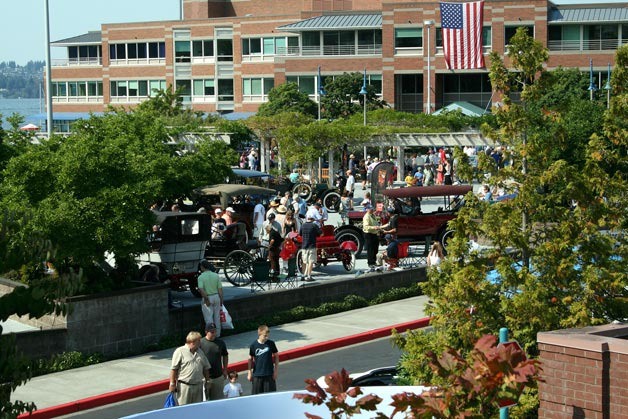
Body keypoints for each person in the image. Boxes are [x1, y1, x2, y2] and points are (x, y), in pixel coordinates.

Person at [169, 331, 211, 406]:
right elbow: (174, 369)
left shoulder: (200, 352)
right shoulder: (180, 351)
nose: (200, 343)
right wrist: (172, 383)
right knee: (183, 410)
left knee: (197, 409)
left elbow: (206, 367)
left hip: (198, 386)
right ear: (192, 342)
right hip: (184, 387)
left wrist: (207, 381)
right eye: (199, 341)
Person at [199, 322, 229, 401]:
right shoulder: (200, 343)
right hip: (204, 378)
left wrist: (225, 369)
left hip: (218, 377)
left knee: (217, 401)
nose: (214, 333)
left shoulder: (220, 343)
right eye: (212, 332)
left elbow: (225, 355)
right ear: (206, 332)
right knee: (204, 401)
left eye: (215, 331)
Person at [247, 325, 279, 395]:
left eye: (268, 335)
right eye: (265, 336)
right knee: (256, 397)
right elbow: (250, 359)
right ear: (259, 334)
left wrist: (276, 371)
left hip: (269, 374)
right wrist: (249, 372)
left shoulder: (271, 343)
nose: (267, 337)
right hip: (257, 375)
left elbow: (276, 356)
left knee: (270, 396)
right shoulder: (253, 345)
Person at [198, 260, 223, 338]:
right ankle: (218, 334)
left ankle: (211, 335)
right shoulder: (216, 275)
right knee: (217, 318)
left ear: (202, 267)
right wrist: (221, 300)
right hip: (216, 297)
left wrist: (206, 299)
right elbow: (220, 289)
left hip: (208, 297)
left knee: (209, 319)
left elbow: (201, 289)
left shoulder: (201, 277)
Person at [299, 215, 321, 281]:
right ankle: (309, 276)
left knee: (304, 261)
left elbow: (300, 234)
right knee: (311, 261)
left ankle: (303, 275)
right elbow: (321, 234)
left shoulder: (302, 225)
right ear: (313, 219)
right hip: (312, 246)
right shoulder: (314, 226)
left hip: (304, 246)